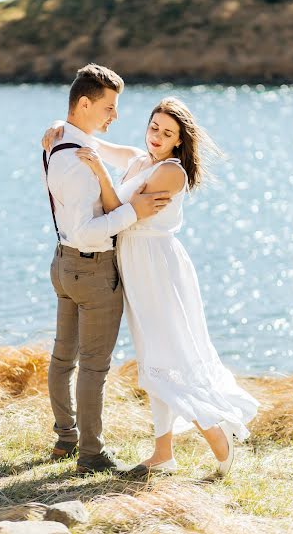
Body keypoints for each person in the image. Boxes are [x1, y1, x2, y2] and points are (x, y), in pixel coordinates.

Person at [42, 96, 260, 477]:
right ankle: (163, 454)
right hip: (134, 266)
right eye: (154, 127)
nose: (157, 137)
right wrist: (59, 128)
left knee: (169, 357)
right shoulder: (138, 159)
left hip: (158, 270)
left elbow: (115, 214)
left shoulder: (172, 172)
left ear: (179, 140)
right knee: (152, 361)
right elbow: (90, 141)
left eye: (167, 133)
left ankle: (215, 434)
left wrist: (102, 176)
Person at [42, 63, 172, 475]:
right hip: (91, 268)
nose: (115, 116)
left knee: (63, 356)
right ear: (85, 103)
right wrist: (132, 212)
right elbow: (85, 231)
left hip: (63, 264)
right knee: (93, 365)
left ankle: (65, 440)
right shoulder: (78, 158)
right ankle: (91, 454)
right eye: (109, 107)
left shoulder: (58, 141)